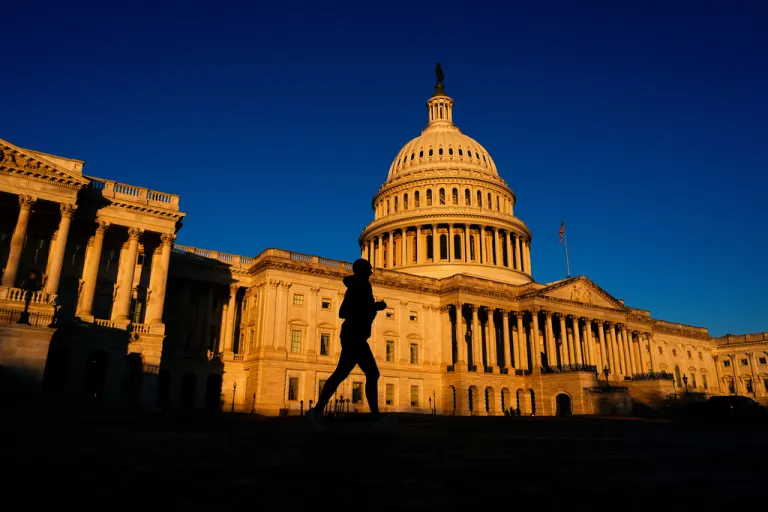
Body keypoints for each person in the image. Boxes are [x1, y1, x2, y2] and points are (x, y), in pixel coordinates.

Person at [306, 259, 395, 431]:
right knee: (362, 373)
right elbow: (343, 312)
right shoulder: (358, 287)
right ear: (362, 272)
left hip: (357, 336)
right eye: (368, 271)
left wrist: (372, 307)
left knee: (358, 373)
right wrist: (373, 306)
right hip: (353, 336)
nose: (370, 273)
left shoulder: (360, 287)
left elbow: (357, 309)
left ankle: (318, 411)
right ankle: (317, 411)